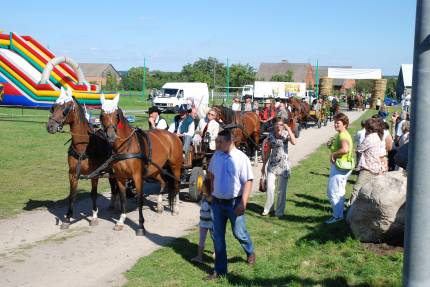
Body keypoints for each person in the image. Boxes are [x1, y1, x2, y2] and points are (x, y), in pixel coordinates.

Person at [205, 129, 255, 280]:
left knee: (239, 232)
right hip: (217, 204)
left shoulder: (241, 158)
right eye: (216, 141)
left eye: (220, 142)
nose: (216, 144)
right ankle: (220, 271)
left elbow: (248, 181)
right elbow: (210, 175)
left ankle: (250, 251)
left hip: (234, 203)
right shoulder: (216, 156)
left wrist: (243, 203)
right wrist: (209, 194)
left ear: (230, 141)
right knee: (218, 237)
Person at [261, 117, 297, 217]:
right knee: (270, 187)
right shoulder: (271, 135)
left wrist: (288, 129)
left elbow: (294, 142)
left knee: (281, 190)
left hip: (283, 165)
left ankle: (279, 211)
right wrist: (263, 165)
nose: (278, 127)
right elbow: (268, 151)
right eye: (277, 124)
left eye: (281, 125)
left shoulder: (286, 134)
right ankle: (268, 209)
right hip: (272, 164)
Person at [325, 113, 354, 224]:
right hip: (345, 166)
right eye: (335, 123)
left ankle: (337, 216)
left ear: (345, 124)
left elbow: (345, 149)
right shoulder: (343, 134)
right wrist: (331, 147)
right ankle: (339, 215)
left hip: (340, 167)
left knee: (332, 192)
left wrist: (333, 155)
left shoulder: (342, 135)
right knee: (340, 191)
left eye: (338, 123)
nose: (335, 125)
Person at [349, 118, 384, 205]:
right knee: (370, 192)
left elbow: (359, 149)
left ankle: (351, 209)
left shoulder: (369, 138)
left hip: (367, 168)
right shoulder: (377, 136)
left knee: (357, 189)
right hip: (376, 167)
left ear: (368, 128)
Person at [191, 183, 214, 264]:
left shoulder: (212, 199)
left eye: (203, 187)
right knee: (201, 240)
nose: (202, 188)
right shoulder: (203, 197)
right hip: (203, 223)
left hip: (212, 224)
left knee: (215, 239)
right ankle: (199, 257)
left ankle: (217, 254)